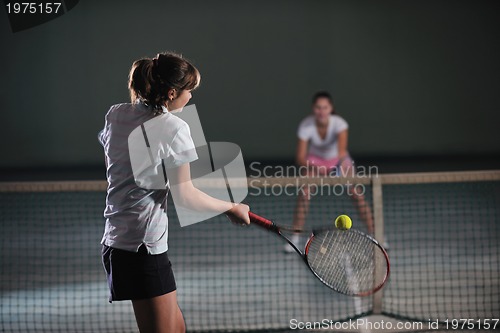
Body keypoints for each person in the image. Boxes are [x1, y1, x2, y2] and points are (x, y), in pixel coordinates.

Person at [98, 52, 250, 333]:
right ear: (171, 93)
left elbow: (119, 163)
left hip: (117, 241)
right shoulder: (175, 128)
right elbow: (186, 197)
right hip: (143, 246)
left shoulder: (115, 114)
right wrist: (232, 207)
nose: (191, 97)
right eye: (189, 91)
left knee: (177, 328)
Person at [286, 91, 374, 252]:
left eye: (325, 107)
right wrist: (316, 168)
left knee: (357, 193)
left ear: (330, 108)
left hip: (338, 161)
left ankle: (376, 235)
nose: (321, 111)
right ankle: (295, 238)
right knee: (304, 193)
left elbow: (341, 153)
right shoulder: (306, 125)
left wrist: (334, 169)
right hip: (314, 162)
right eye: (318, 107)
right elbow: (300, 157)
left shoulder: (340, 124)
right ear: (313, 109)